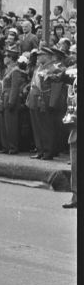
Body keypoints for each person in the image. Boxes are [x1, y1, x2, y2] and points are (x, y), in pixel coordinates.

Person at [63, 66, 77, 209]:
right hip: (76, 132)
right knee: (75, 166)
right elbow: (71, 106)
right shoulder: (74, 88)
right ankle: (75, 196)